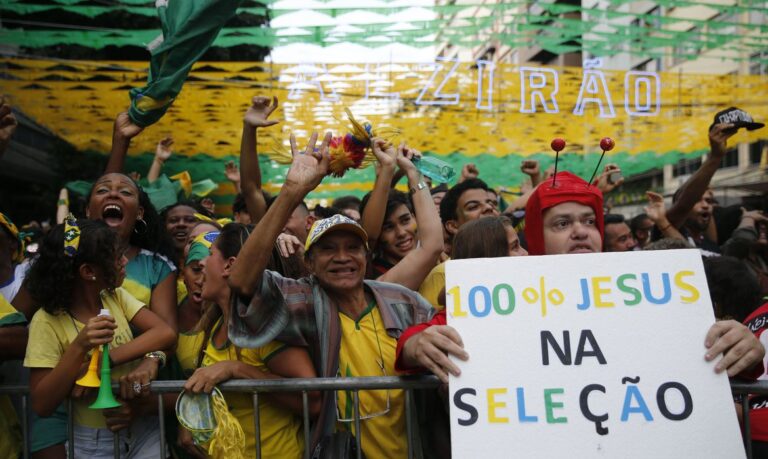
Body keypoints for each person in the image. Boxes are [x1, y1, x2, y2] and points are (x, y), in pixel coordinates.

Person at [398, 170, 765, 387]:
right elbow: (422, 338)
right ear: (538, 237)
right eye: (562, 223)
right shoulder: (500, 293)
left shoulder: (647, 288)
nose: (580, 232)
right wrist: (417, 344)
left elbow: (714, 360)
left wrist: (742, 348)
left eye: (589, 221)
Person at [226, 132, 434, 458]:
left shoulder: (400, 301)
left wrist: (415, 176)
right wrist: (293, 190)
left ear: (367, 257)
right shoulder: (303, 303)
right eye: (328, 250)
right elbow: (241, 282)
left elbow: (431, 250)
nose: (342, 257)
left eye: (353, 248)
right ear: (309, 262)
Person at [24, 217, 176, 458]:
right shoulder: (45, 321)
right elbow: (42, 404)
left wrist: (106, 361)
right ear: (88, 271)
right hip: (94, 442)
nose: (125, 261)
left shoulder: (115, 297)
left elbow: (165, 333)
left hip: (143, 432)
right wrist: (80, 346)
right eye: (117, 257)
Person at [176, 223, 317, 458]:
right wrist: (189, 421)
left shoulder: (263, 327)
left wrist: (237, 370)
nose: (202, 267)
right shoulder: (217, 323)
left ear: (229, 265)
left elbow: (312, 401)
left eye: (210, 256)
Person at [395, 216, 526, 382]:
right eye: (515, 247)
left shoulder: (543, 297)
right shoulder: (460, 313)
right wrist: (414, 345)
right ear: (491, 257)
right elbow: (410, 343)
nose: (526, 254)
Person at [359, 139, 443, 290]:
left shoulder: (442, 261)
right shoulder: (372, 275)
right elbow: (368, 237)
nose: (401, 233)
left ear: (416, 217)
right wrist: (403, 172)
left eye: (405, 220)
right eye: (388, 228)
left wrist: (408, 172)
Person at [417, 178, 500, 309]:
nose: (488, 208)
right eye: (473, 207)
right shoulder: (443, 274)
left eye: (490, 203)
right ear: (453, 226)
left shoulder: (518, 257)